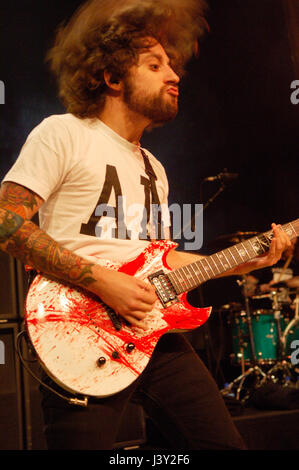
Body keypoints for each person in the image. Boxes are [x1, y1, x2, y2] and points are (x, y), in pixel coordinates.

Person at [0, 0, 292, 450]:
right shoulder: (63, 133)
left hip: (153, 334)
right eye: (154, 65)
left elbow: (160, 256)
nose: (173, 76)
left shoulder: (154, 166)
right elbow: (5, 222)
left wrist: (241, 262)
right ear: (112, 77)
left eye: (171, 66)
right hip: (79, 329)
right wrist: (104, 282)